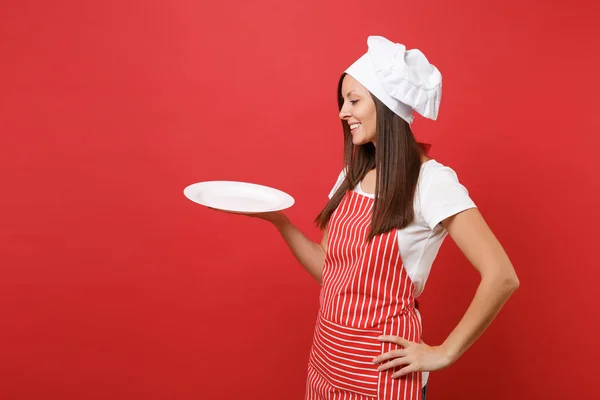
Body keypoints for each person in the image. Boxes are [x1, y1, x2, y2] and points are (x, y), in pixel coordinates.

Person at [212, 36, 519, 399]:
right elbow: (331, 271)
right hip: (326, 366)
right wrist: (279, 221)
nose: (343, 112)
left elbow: (502, 276)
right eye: (343, 100)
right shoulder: (352, 173)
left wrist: (444, 352)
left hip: (380, 379)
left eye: (354, 100)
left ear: (387, 108)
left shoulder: (431, 182)